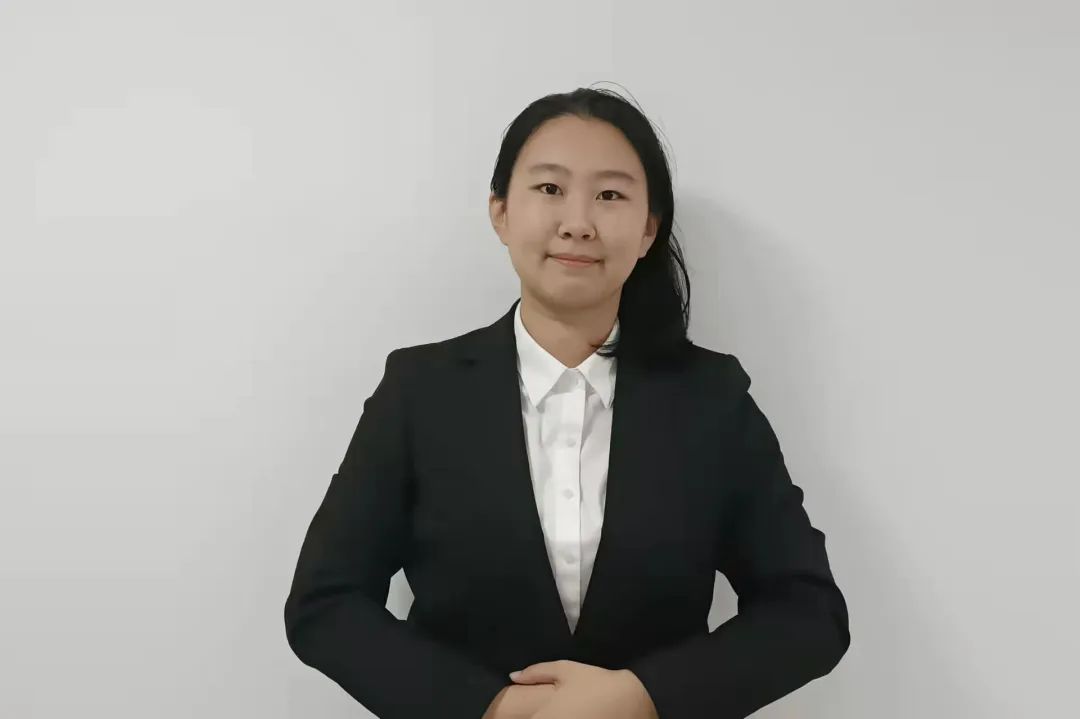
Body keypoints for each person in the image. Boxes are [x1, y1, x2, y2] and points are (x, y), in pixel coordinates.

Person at [284, 87, 850, 719]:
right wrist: (492, 709)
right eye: (550, 188)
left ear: (648, 229)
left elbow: (808, 611)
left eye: (610, 195)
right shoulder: (420, 392)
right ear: (500, 212)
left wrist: (642, 697)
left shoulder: (711, 401)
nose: (578, 221)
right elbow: (325, 602)